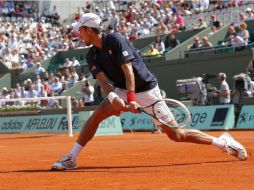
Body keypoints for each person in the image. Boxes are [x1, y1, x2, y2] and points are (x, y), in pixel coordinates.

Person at [51, 13, 247, 171]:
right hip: (121, 90)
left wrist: (131, 99)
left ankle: (223, 143)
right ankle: (72, 158)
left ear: (89, 30)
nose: (79, 35)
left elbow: (128, 71)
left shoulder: (116, 39)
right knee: (97, 116)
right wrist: (114, 98)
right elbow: (103, 82)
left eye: (81, 31)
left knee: (176, 135)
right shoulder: (91, 54)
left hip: (147, 90)